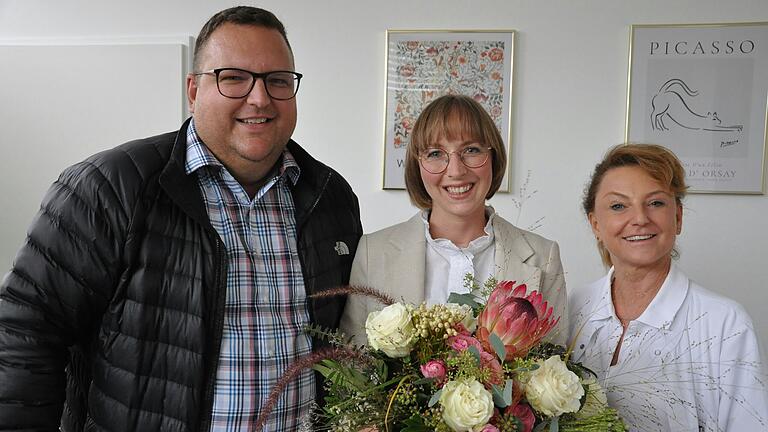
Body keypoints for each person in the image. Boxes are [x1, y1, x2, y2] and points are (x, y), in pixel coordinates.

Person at [0, 6, 362, 431]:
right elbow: (26, 334)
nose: (260, 98)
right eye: (233, 78)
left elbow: (343, 344)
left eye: (278, 80)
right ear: (193, 90)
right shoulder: (109, 188)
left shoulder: (330, 196)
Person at [569, 143, 768, 431]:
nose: (639, 218)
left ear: (677, 218)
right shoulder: (577, 304)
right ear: (596, 224)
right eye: (618, 206)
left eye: (656, 203)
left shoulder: (726, 323)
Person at [341, 94, 567, 345]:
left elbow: (554, 363)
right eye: (436, 153)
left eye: (471, 150)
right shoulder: (373, 253)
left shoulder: (543, 256)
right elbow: (354, 364)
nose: (456, 170)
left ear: (493, 157)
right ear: (417, 165)